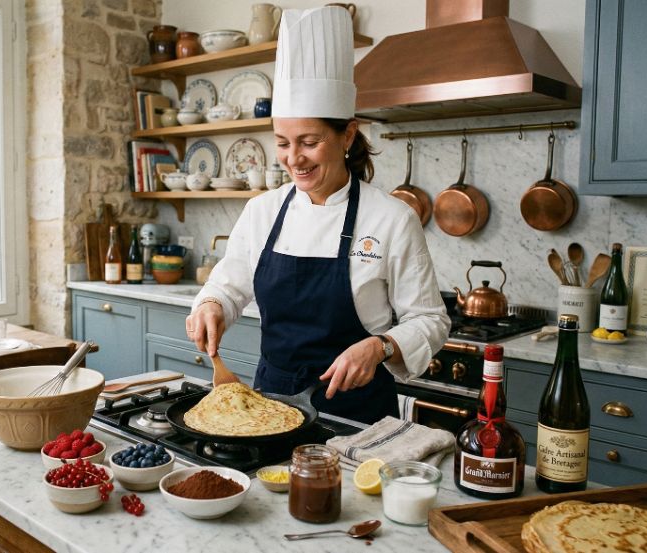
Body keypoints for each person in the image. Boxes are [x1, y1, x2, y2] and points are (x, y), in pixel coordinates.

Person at [185, 7, 450, 425]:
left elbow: (430, 320)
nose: (294, 159)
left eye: (309, 142)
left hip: (357, 416)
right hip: (266, 407)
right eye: (283, 143)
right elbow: (228, 285)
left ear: (346, 134)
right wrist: (212, 306)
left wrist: (380, 347)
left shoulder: (393, 219)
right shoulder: (262, 211)